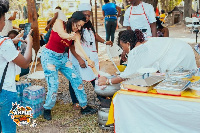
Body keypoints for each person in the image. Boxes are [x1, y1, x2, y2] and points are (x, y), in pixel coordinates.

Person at [41, 11, 97, 121]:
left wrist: (88, 59)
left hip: (62, 58)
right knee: (53, 85)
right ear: (73, 20)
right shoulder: (59, 23)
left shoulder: (76, 34)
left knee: (76, 79)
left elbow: (78, 49)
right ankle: (47, 109)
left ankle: (84, 106)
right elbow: (62, 34)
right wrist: (69, 36)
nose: (79, 28)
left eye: (81, 26)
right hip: (49, 57)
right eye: (78, 25)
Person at [98, 30, 197, 85]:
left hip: (179, 55)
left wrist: (108, 81)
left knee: (178, 83)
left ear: (128, 44)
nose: (123, 50)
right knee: (187, 80)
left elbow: (126, 75)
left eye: (123, 47)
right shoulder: (145, 42)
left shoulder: (136, 51)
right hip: (184, 48)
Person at [68, 3, 113, 110]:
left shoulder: (88, 25)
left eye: (89, 15)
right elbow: (71, 45)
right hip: (78, 57)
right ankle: (76, 101)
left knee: (95, 76)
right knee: (75, 78)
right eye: (85, 15)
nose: (87, 18)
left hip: (90, 57)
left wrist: (105, 42)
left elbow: (95, 35)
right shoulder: (76, 26)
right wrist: (79, 59)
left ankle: (101, 97)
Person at [0, 0, 33, 132]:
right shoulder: (5, 44)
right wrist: (29, 42)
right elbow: (25, 62)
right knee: (9, 128)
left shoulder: (5, 42)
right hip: (5, 92)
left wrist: (11, 41)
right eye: (3, 19)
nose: (4, 22)